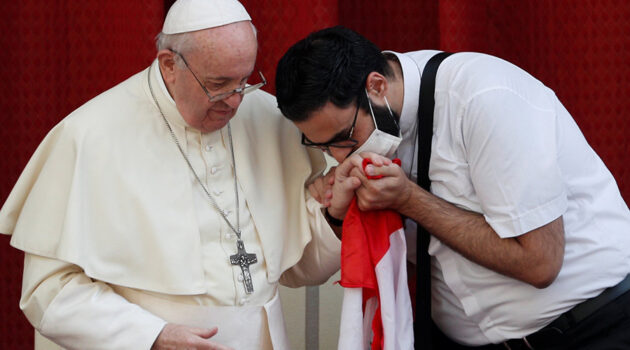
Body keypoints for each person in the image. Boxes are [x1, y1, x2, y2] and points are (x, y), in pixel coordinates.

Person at [0, 1, 343, 349]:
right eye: (219, 84)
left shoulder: (269, 118)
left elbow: (298, 268)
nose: (236, 102)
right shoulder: (88, 135)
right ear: (169, 65)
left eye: (245, 81)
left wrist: (334, 217)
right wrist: (151, 337)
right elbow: (49, 293)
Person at [275, 26, 630, 349]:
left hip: (592, 328)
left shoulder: (483, 97)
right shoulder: (363, 126)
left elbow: (540, 264)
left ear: (377, 87)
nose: (338, 157)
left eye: (343, 139)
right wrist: (338, 215)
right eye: (320, 146)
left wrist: (409, 200)